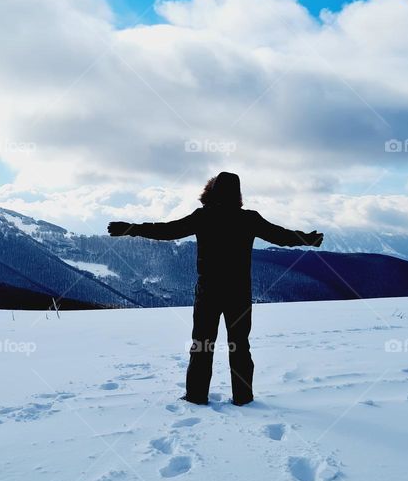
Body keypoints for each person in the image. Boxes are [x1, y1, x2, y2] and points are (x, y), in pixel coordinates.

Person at [107, 172, 323, 406]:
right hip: (239, 293)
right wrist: (306, 239)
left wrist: (131, 228)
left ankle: (196, 396)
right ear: (238, 193)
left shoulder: (203, 216)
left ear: (212, 190)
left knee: (202, 344)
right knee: (240, 345)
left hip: (208, 292)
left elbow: (166, 231)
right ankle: (243, 397)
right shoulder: (249, 219)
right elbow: (279, 236)